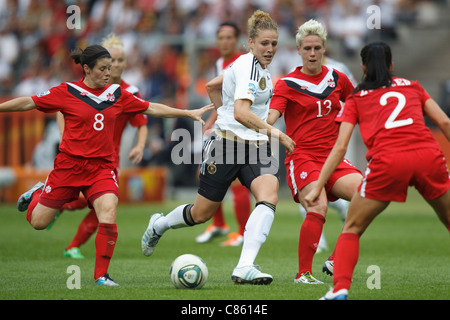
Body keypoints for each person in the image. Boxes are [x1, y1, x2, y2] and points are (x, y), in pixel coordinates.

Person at [4, 44, 212, 286]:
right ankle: (38, 193)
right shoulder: (67, 91)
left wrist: (187, 113)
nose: (108, 73)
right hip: (68, 168)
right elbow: (28, 102)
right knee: (39, 223)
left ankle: (101, 276)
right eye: (102, 68)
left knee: (108, 212)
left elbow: (151, 107)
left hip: (102, 168)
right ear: (86, 69)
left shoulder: (117, 94)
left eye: (110, 67)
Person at [141, 10, 295, 285]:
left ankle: (245, 266)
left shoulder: (257, 67)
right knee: (202, 214)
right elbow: (240, 112)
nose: (270, 49)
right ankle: (159, 224)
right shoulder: (247, 66)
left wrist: (219, 112)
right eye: (264, 44)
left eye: (273, 44)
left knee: (268, 195)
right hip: (227, 145)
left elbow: (214, 84)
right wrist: (275, 133)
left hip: (255, 146)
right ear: (250, 42)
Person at [305, 42, 450, 300]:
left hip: (388, 162)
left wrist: (318, 185)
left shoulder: (357, 97)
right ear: (391, 66)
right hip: (427, 155)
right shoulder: (413, 86)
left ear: (362, 68)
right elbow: (444, 122)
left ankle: (339, 291)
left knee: (352, 228)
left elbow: (340, 148)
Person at [267, 19, 363, 284]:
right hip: (303, 157)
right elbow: (271, 117)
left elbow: (357, 107)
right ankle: (303, 274)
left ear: (324, 49)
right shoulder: (287, 83)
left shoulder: (338, 79)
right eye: (307, 48)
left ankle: (335, 258)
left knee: (366, 195)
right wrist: (270, 129)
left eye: (317, 48)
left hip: (332, 158)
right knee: (318, 206)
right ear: (298, 49)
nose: (312, 53)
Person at [48, 33, 149, 260]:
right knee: (99, 205)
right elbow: (61, 109)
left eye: (121, 60)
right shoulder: (85, 89)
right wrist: (65, 137)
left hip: (108, 159)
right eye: (112, 60)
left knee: (102, 208)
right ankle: (57, 207)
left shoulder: (129, 92)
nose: (116, 65)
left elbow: (142, 121)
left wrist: (140, 146)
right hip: (79, 156)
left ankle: (71, 243)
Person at [196, 21, 252, 247]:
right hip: (223, 123)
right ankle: (219, 224)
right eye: (221, 37)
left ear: (237, 40)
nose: (224, 41)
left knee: (237, 182)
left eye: (229, 37)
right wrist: (210, 122)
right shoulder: (221, 62)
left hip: (239, 127)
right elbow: (222, 100)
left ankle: (243, 233)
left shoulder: (242, 63)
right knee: (204, 173)